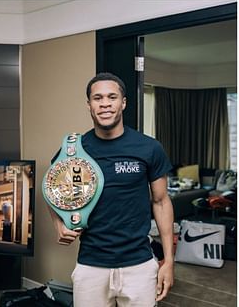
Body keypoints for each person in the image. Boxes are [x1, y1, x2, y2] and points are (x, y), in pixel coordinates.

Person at [46, 72, 174, 306]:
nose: (105, 103)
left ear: (123, 102)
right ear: (89, 104)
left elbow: (161, 201)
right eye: (97, 98)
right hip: (91, 265)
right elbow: (51, 189)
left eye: (112, 97)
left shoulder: (149, 147)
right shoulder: (74, 149)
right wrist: (58, 223)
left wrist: (169, 261)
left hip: (139, 264)